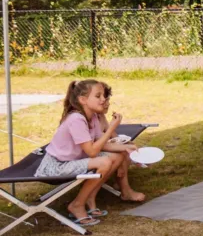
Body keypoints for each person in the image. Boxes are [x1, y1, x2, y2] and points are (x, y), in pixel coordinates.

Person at [35, 79, 136, 226]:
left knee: (118, 156)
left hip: (72, 161)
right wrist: (111, 128)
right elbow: (93, 151)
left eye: (104, 96)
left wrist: (127, 148)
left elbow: (103, 144)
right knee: (104, 161)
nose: (103, 100)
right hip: (56, 166)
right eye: (98, 96)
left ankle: (89, 196)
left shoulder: (92, 116)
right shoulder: (76, 119)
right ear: (83, 100)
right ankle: (77, 204)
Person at [97, 82, 145, 203]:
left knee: (128, 146)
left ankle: (120, 181)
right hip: (91, 152)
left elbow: (114, 137)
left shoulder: (100, 116)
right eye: (104, 100)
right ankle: (126, 191)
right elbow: (98, 144)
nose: (107, 104)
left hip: (100, 148)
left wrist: (127, 145)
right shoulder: (89, 119)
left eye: (107, 100)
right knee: (122, 152)